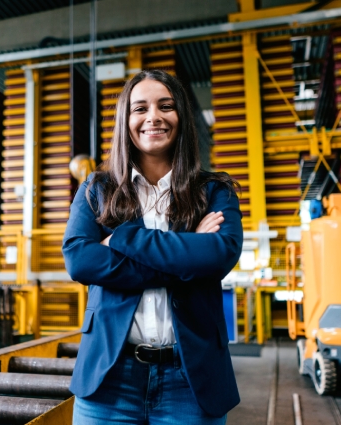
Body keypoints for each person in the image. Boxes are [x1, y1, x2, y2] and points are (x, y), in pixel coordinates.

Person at [62, 69, 243, 424]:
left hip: (190, 382)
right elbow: (80, 261)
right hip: (111, 379)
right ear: (125, 121)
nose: (153, 117)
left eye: (166, 106)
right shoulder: (98, 189)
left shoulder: (213, 191)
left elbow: (220, 254)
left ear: (181, 118)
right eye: (139, 108)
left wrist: (126, 239)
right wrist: (187, 254)